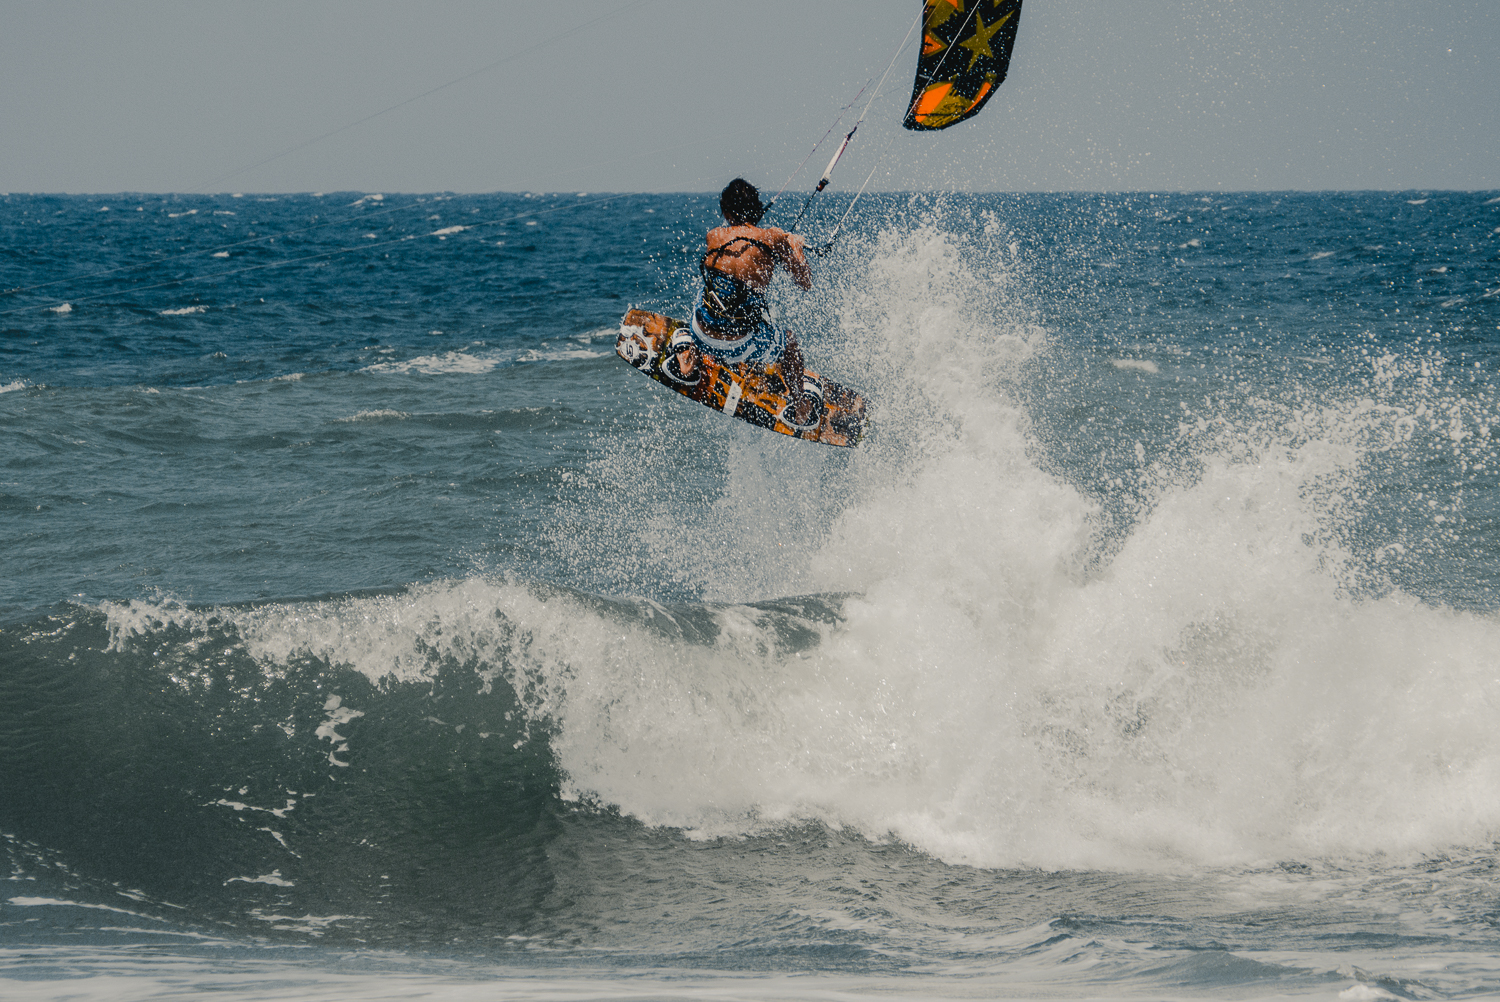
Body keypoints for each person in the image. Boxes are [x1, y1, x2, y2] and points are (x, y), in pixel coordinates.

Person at [679, 178, 820, 428]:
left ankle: (690, 359)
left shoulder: (713, 236)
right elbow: (805, 281)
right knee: (790, 343)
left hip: (700, 333)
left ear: (725, 211)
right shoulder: (771, 238)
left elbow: (742, 240)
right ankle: (800, 407)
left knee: (710, 291)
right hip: (738, 344)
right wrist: (794, 246)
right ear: (756, 209)